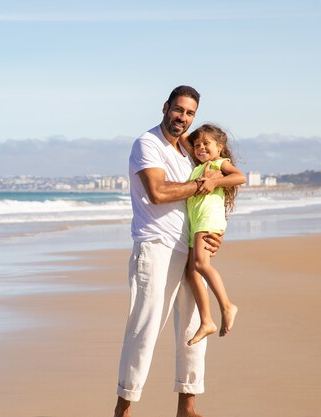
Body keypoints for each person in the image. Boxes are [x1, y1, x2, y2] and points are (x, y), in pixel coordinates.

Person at [114, 86, 227, 417]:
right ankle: (123, 408)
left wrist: (212, 234)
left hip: (190, 249)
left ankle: (187, 408)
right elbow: (157, 192)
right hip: (155, 248)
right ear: (165, 107)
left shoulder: (188, 152)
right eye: (178, 110)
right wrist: (204, 184)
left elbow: (206, 201)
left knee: (193, 329)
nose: (183, 118)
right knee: (144, 331)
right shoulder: (147, 144)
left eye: (190, 113)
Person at [183, 124, 246, 347]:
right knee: (191, 272)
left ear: (220, 147)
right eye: (197, 144)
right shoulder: (198, 166)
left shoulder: (219, 164)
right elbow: (184, 137)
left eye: (207, 144)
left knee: (201, 264)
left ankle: (227, 305)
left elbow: (240, 177)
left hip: (208, 220)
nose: (200, 147)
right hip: (195, 223)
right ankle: (206, 321)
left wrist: (214, 181)